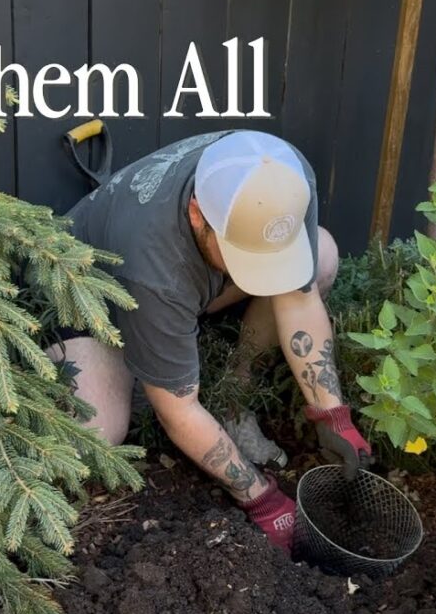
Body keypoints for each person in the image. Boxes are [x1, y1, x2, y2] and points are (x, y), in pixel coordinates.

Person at [49, 130, 372, 551]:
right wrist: (260, 498)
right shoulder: (154, 267)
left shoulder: (284, 177)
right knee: (100, 431)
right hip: (88, 301)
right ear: (199, 214)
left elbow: (298, 298)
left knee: (321, 254)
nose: (260, 272)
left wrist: (333, 415)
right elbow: (179, 412)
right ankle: (140, 368)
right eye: (245, 255)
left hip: (178, 288)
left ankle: (232, 399)